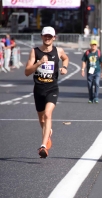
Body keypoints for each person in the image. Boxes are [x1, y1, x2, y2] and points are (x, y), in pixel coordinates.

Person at [25, 26, 69, 158]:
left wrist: (64, 67)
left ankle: (43, 146)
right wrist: (38, 63)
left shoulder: (58, 51)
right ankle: (48, 133)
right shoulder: (35, 52)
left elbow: (65, 58)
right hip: (38, 89)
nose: (48, 38)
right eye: (45, 36)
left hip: (52, 88)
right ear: (42, 36)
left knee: (48, 114)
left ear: (54, 38)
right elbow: (27, 72)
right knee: (42, 119)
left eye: (50, 36)